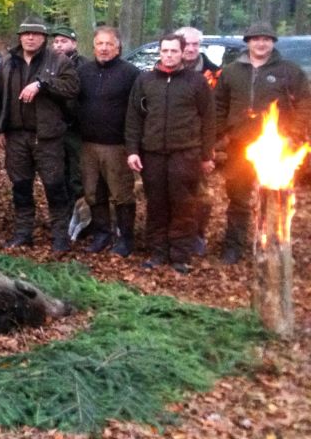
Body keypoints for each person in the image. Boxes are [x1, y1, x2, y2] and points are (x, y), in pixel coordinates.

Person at [213, 22, 311, 264]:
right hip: (239, 146)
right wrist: (219, 135)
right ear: (248, 42)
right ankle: (233, 247)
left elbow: (305, 103)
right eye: (256, 39)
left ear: (273, 42)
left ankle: (272, 247)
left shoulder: (289, 71)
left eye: (266, 39)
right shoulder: (231, 71)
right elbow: (219, 105)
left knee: (274, 197)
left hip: (277, 148)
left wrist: (294, 134)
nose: (261, 43)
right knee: (238, 199)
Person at [125, 33, 215, 273]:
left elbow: (208, 119)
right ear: (160, 52)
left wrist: (206, 155)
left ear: (183, 52)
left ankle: (180, 256)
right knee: (156, 204)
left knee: (183, 205)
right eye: (165, 51)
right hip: (152, 153)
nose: (169, 55)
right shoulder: (145, 80)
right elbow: (134, 118)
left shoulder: (196, 82)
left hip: (185, 153)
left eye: (174, 51)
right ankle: (158, 252)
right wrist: (132, 150)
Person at [0, 14, 80, 252]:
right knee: (21, 187)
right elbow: (0, 95)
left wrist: (43, 84)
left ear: (44, 37)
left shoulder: (58, 61)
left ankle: (60, 236)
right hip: (16, 136)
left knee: (54, 186)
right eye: (26, 34)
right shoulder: (8, 62)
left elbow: (72, 88)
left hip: (47, 137)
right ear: (20, 37)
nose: (30, 38)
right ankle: (23, 233)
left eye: (35, 34)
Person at [75, 26, 141, 256]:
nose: (104, 48)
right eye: (100, 44)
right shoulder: (83, 72)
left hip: (117, 145)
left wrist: (133, 144)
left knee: (122, 194)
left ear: (118, 47)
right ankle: (102, 233)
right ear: (94, 47)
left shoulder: (131, 74)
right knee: (93, 192)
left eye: (109, 44)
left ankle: (125, 238)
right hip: (88, 144)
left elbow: (138, 111)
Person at [176, 26, 222, 255]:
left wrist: (209, 149)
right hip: (170, 144)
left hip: (199, 144)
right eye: (187, 44)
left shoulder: (214, 74)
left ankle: (197, 235)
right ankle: (175, 234)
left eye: (196, 44)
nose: (191, 48)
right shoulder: (163, 69)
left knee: (200, 193)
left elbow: (216, 114)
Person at [51, 25, 86, 220]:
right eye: (56, 41)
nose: (58, 45)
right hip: (54, 129)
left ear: (74, 43)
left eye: (63, 41)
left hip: (76, 130)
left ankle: (81, 217)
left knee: (77, 176)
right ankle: (62, 218)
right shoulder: (47, 65)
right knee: (57, 175)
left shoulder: (84, 67)